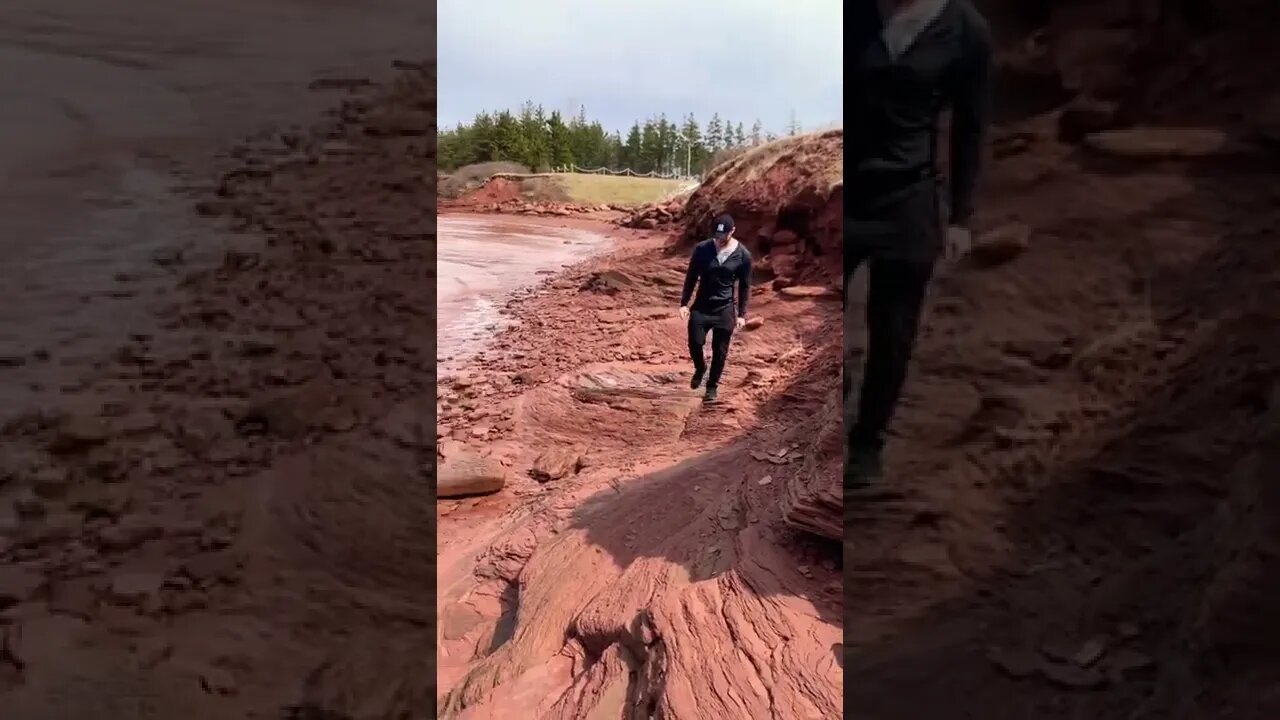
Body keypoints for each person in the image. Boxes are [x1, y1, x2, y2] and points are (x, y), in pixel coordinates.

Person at [847, 0, 993, 490]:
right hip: (845, 196)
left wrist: (960, 217)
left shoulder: (965, 29)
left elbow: (971, 127)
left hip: (909, 202)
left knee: (893, 333)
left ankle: (867, 445)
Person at [679, 214, 753, 404]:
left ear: (733, 231)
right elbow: (691, 277)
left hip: (725, 309)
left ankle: (711, 387)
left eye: (724, 235)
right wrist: (684, 303)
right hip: (701, 306)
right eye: (717, 235)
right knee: (695, 343)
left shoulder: (743, 255)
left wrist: (742, 315)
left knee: (720, 351)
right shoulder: (702, 249)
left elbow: (745, 286)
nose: (719, 239)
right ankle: (700, 368)